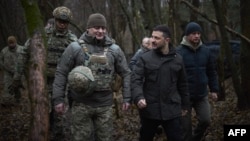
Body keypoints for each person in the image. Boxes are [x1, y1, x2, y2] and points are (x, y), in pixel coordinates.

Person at [52, 13, 131, 141]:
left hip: (105, 105)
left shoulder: (114, 50)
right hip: (81, 104)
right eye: (96, 27)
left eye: (103, 28)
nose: (100, 31)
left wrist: (127, 98)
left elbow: (126, 73)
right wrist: (58, 99)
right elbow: (61, 72)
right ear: (88, 28)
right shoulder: (74, 48)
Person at [10, 6, 78, 141]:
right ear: (55, 20)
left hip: (62, 82)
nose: (62, 25)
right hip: (42, 80)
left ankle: (58, 136)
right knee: (43, 111)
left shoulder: (73, 40)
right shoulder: (42, 36)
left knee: (60, 114)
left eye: (65, 22)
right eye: (60, 21)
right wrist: (17, 76)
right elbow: (24, 53)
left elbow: (79, 60)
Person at [131, 24, 190, 141]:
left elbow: (183, 84)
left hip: (171, 109)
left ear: (167, 40)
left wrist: (185, 105)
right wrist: (139, 97)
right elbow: (135, 80)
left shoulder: (178, 59)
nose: (152, 40)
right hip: (150, 109)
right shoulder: (145, 58)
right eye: (152, 37)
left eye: (157, 38)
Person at [176, 22, 219, 141]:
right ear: (187, 35)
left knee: (206, 120)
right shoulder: (178, 52)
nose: (197, 36)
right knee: (185, 127)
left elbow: (211, 71)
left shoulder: (205, 51)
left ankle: (196, 138)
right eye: (194, 33)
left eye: (199, 33)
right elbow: (173, 75)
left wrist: (214, 89)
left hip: (201, 94)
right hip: (184, 97)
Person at [0, 36, 24, 105]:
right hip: (8, 72)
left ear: (15, 42)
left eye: (12, 43)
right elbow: (0, 60)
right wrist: (3, 67)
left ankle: (18, 100)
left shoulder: (21, 49)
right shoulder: (4, 51)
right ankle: (6, 101)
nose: (11, 45)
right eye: (10, 43)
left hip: (19, 72)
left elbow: (26, 59)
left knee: (16, 87)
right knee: (7, 86)